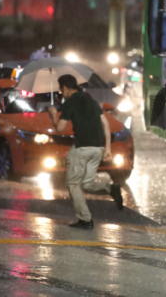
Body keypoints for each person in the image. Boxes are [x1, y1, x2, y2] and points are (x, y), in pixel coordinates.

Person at [48, 74, 124, 229]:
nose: (60, 92)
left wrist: (53, 116)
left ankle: (85, 219)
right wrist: (107, 148)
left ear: (65, 88)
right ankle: (111, 188)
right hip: (97, 148)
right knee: (87, 184)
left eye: (60, 89)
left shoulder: (69, 103)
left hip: (82, 147)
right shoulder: (92, 101)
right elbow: (106, 125)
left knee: (73, 184)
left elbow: (59, 128)